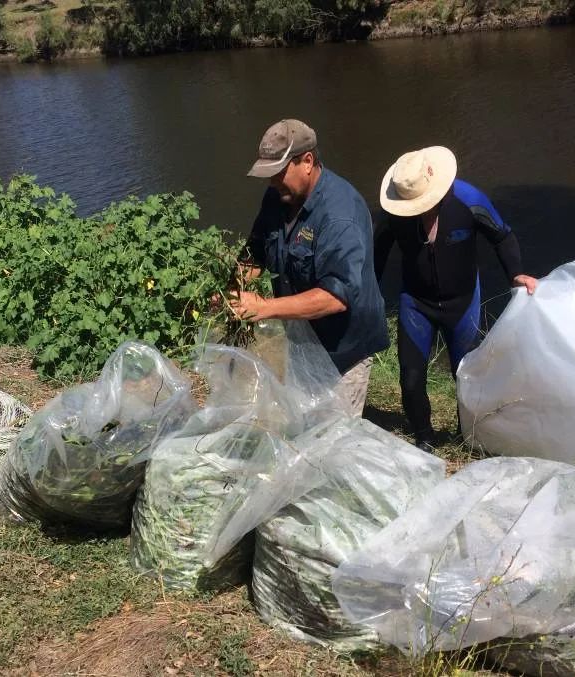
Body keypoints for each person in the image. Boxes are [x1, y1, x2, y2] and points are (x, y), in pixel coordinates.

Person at [375, 146, 537, 447]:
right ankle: (424, 439)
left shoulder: (468, 201)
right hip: (416, 302)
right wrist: (370, 289)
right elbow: (379, 250)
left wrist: (515, 274)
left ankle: (470, 437)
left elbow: (502, 236)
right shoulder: (395, 213)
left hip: (462, 302)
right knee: (410, 379)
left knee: (467, 378)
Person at [230, 119, 388, 417]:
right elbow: (255, 251)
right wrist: (232, 289)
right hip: (303, 337)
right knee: (303, 422)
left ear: (307, 161)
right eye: (268, 175)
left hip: (343, 348)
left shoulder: (340, 214)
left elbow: (335, 297)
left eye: (278, 173)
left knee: (334, 437)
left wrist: (262, 307)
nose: (272, 182)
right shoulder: (278, 196)